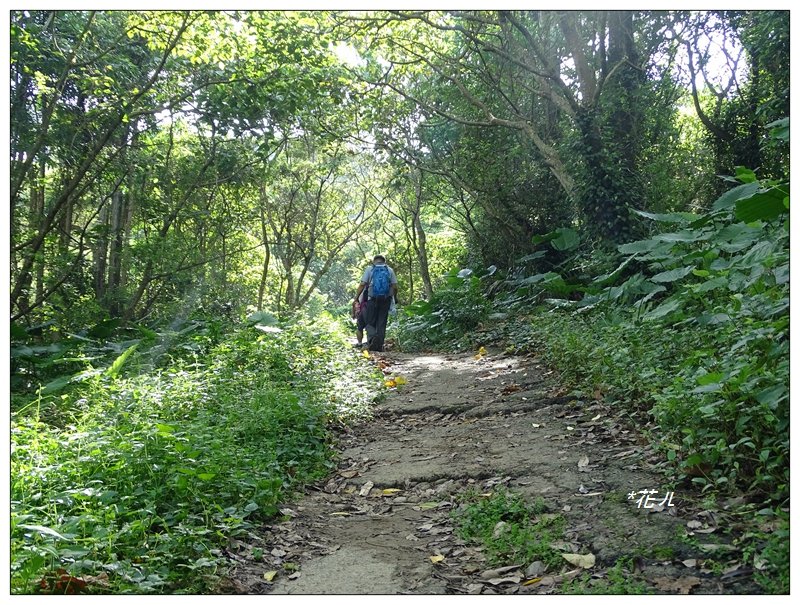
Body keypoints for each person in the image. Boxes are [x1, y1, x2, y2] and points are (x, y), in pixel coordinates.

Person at [353, 255, 398, 352]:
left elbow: (362, 284)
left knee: (370, 321)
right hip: (386, 300)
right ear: (384, 262)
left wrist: (356, 298)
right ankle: (379, 345)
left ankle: (372, 340)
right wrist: (395, 297)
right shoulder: (389, 270)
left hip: (372, 299)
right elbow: (394, 286)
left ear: (374, 261)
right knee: (382, 323)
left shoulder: (370, 269)